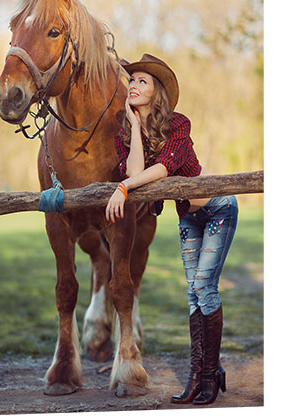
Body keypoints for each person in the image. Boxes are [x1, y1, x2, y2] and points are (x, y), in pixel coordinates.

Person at [105, 54, 238, 405]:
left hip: (217, 208)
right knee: (194, 294)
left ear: (157, 91)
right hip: (188, 218)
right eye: (131, 81)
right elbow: (135, 176)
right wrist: (134, 129)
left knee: (204, 288)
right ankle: (201, 376)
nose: (132, 85)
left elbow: (163, 169)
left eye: (142, 81)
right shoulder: (125, 136)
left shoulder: (179, 124)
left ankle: (207, 378)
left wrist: (122, 188)